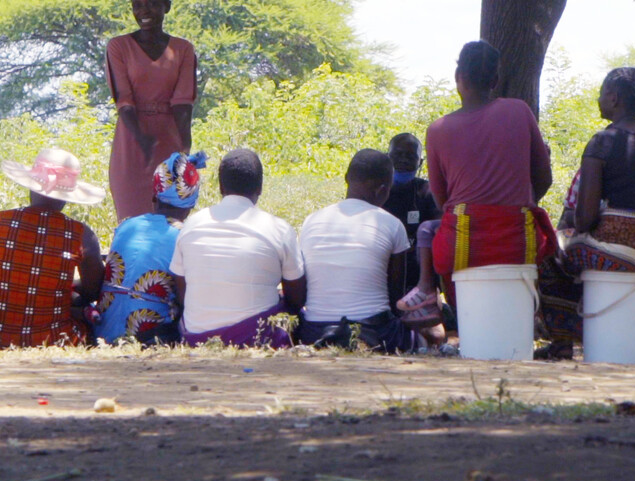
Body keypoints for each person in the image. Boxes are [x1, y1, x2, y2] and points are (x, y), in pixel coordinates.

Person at [398, 41, 557, 324]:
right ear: (495, 81)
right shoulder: (519, 111)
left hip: (462, 243)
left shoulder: (438, 129)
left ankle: (429, 294)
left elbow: (442, 201)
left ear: (458, 77)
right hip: (519, 241)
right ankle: (535, 318)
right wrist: (513, 208)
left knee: (430, 231)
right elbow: (544, 178)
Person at [539, 68, 635, 357]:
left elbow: (584, 220)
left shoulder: (602, 142)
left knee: (549, 253)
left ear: (614, 97)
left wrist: (575, 228)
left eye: (602, 93)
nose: (599, 99)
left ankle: (564, 341)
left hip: (619, 251)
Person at [0, 147, 106, 348]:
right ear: (67, 196)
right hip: (55, 340)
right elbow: (93, 292)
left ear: (31, 187)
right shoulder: (83, 235)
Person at [170, 148, 303, 347]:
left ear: (221, 187)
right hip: (257, 339)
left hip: (197, 339)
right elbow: (297, 298)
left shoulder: (191, 225)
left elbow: (183, 292)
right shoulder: (279, 229)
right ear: (260, 187)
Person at [297, 149, 420, 352]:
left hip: (316, 332)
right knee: (424, 335)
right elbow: (395, 295)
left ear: (347, 178)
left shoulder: (311, 221)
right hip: (374, 333)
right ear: (382, 189)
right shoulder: (392, 224)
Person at [106, 0, 199, 222]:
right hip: (131, 141)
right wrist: (141, 138)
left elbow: (183, 102)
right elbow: (124, 100)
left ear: (167, 6)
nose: (144, 11)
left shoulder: (183, 49)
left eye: (152, 4)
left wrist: (184, 150)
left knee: (171, 218)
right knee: (131, 218)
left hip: (168, 142)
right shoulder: (118, 47)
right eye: (137, 5)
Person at [96, 150, 204, 345]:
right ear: (191, 205)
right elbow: (187, 300)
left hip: (102, 332)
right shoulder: (184, 236)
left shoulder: (126, 226)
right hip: (148, 337)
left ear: (155, 197)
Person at [379, 133, 440, 306]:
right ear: (387, 157)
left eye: (410, 156)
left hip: (418, 274)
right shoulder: (377, 190)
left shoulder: (428, 192)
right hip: (382, 269)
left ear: (420, 162)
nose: (404, 160)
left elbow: (439, 231)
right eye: (398, 154)